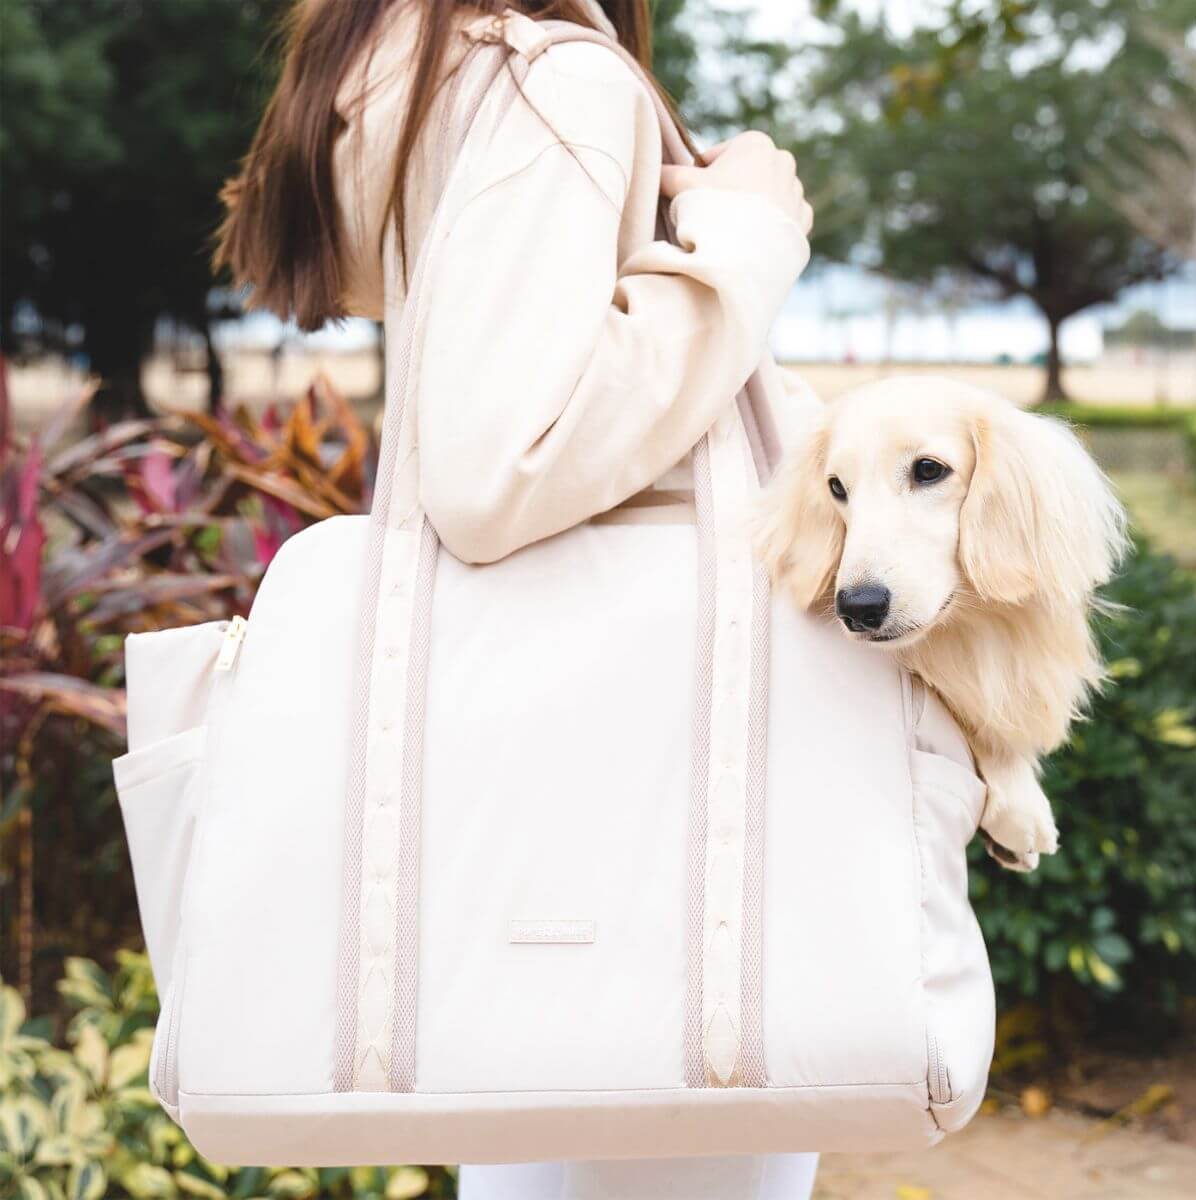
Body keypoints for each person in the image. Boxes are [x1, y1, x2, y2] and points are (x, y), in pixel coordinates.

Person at [215, 2, 817, 1196]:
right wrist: (739, 238)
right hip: (655, 771)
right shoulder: (558, 85)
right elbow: (498, 469)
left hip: (531, 782)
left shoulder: (405, 68)